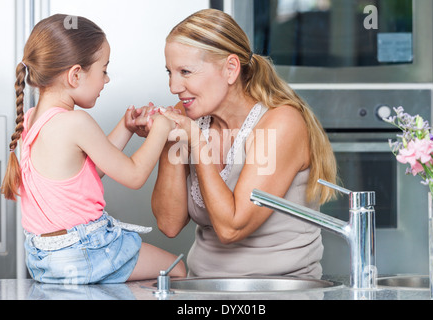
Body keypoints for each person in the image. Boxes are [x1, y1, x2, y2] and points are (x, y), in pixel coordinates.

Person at [137, 9, 338, 279]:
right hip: (204, 288)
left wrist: (197, 141)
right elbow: (169, 224)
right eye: (170, 72)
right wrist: (166, 136)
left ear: (231, 69)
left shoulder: (281, 124)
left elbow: (231, 228)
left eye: (185, 71)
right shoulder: (189, 117)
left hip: (280, 291)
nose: (174, 86)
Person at [0, 14, 185, 284]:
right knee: (176, 270)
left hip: (45, 258)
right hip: (86, 251)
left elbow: (85, 175)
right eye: (104, 70)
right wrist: (162, 129)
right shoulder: (76, 122)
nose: (107, 80)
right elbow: (134, 176)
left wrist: (126, 126)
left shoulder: (30, 120)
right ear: (75, 75)